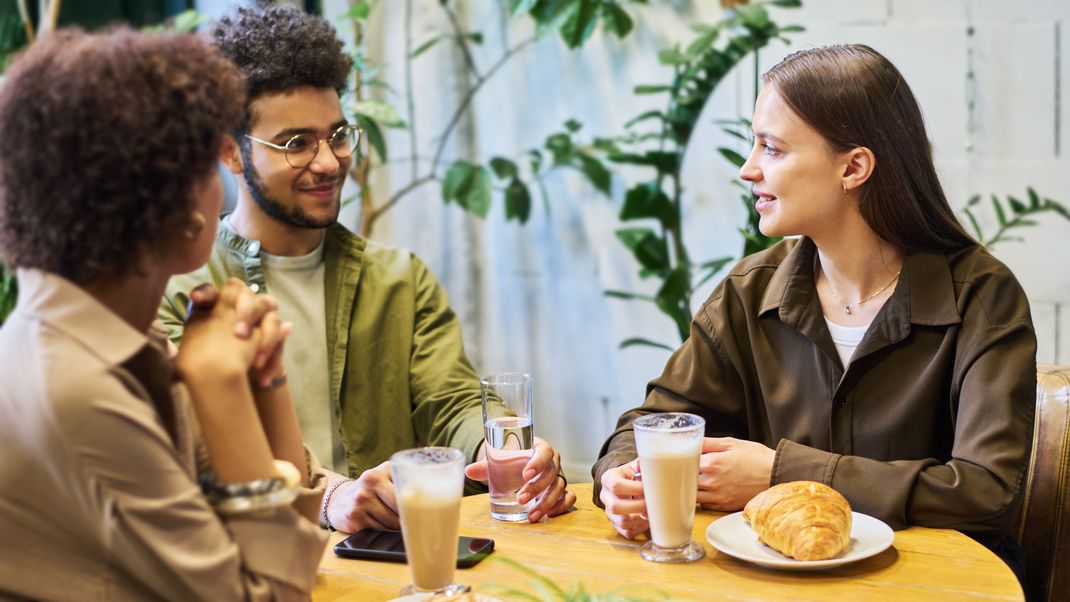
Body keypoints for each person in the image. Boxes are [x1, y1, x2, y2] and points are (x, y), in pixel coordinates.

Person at [593, 44, 1036, 570]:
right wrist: (621, 477)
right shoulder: (749, 291)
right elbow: (650, 424)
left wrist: (783, 473)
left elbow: (987, 496)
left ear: (853, 168)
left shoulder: (982, 295)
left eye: (772, 149)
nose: (747, 169)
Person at [158, 5, 575, 532]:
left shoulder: (399, 280)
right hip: (249, 560)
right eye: (296, 143)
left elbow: (453, 403)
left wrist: (514, 450)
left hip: (388, 563)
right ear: (232, 154)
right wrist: (333, 498)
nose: (330, 161)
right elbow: (190, 452)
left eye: (337, 135)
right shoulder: (183, 290)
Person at [0, 28, 327, 600]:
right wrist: (220, 385)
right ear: (173, 206)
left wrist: (265, 377)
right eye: (208, 166)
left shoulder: (112, 339)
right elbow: (269, 593)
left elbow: (287, 544)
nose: (222, 189)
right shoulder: (81, 389)